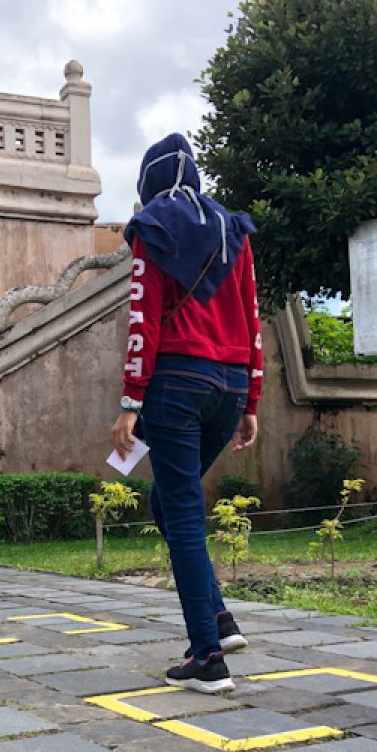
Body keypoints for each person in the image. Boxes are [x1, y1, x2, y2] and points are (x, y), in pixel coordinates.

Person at [111, 133, 262, 694]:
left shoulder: (153, 227)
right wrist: (251, 399)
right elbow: (251, 316)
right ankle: (220, 620)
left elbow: (142, 319)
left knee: (183, 514)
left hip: (176, 383)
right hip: (226, 386)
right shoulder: (233, 230)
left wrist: (131, 403)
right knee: (167, 502)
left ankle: (206, 655)